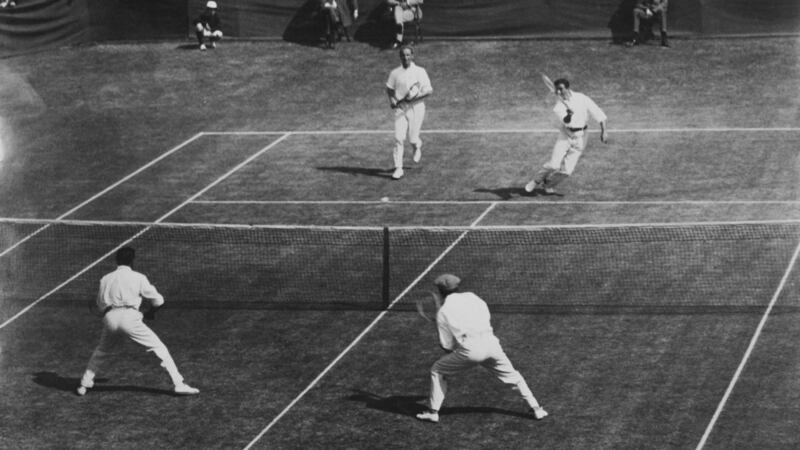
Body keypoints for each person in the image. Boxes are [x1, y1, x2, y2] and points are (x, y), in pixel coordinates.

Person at [416, 274, 548, 423]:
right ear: (457, 287)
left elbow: (447, 347)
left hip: (471, 350)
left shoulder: (443, 312)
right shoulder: (474, 297)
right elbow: (484, 317)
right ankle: (537, 409)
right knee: (514, 377)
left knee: (437, 369)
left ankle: (433, 412)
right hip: (492, 344)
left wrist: (443, 328)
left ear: (440, 291)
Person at [77, 247, 200, 396]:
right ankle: (179, 384)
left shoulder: (105, 279)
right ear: (132, 261)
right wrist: (150, 313)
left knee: (101, 351)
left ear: (117, 260)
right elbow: (159, 301)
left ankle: (83, 385)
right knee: (159, 348)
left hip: (110, 318)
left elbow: (100, 304)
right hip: (129, 318)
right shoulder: (139, 277)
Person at [524, 78, 607, 195]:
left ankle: (548, 184)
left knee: (567, 171)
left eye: (561, 89)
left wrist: (604, 131)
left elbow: (597, 112)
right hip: (565, 135)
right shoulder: (558, 106)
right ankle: (536, 180)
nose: (558, 92)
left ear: (567, 88)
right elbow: (566, 121)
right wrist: (569, 115)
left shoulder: (581, 98)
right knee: (553, 165)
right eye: (557, 90)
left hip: (582, 137)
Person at [385, 45, 432, 180]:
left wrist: (413, 99)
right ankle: (398, 168)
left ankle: (417, 145)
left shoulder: (420, 71)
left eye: (408, 55)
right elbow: (389, 88)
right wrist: (392, 100)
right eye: (403, 55)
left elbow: (429, 91)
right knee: (399, 138)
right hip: (400, 110)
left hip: (417, 108)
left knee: (412, 138)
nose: (405, 57)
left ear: (412, 56)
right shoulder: (395, 73)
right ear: (400, 57)